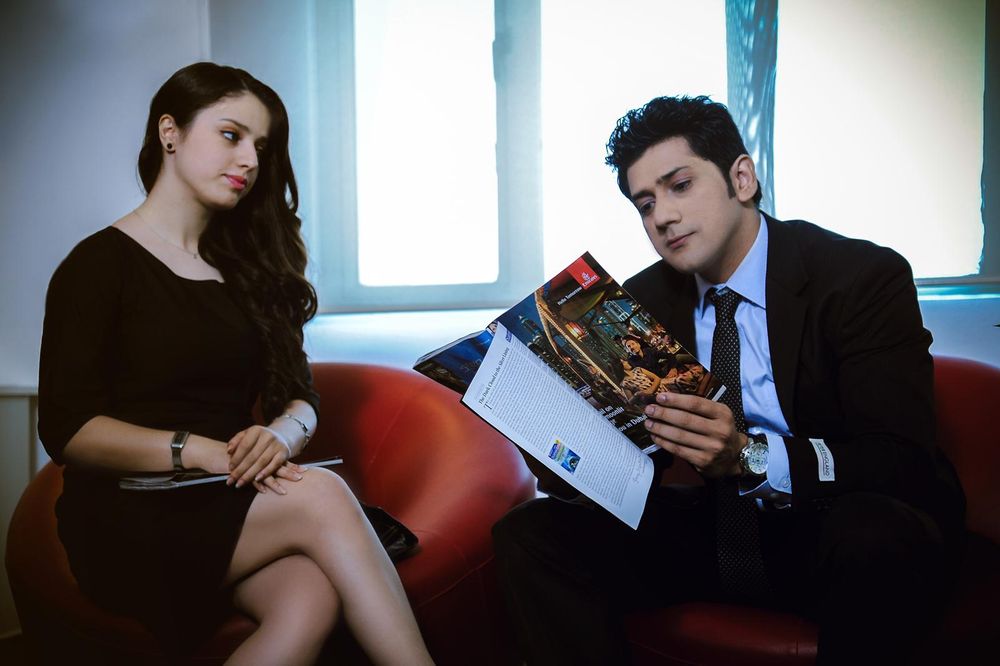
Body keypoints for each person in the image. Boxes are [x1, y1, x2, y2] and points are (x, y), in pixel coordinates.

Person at [492, 95, 966, 665]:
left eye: (680, 185)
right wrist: (554, 444)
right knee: (530, 533)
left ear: (742, 178)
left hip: (833, 525)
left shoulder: (860, 278)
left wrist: (748, 456)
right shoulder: (637, 302)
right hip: (722, 527)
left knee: (874, 533)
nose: (662, 217)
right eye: (646, 204)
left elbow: (900, 458)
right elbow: (627, 468)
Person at [38, 62, 434, 665]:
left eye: (261, 147)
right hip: (128, 514)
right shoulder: (96, 265)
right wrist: (196, 450)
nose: (249, 159)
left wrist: (281, 435)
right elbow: (68, 429)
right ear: (169, 132)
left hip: (227, 496)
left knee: (310, 595)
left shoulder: (250, 268)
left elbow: (301, 397)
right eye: (231, 135)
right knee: (324, 494)